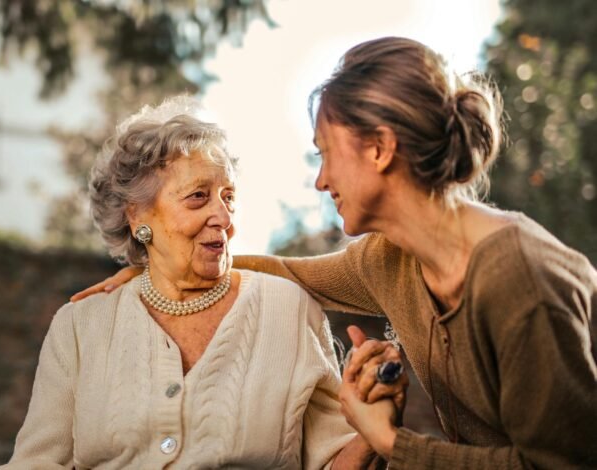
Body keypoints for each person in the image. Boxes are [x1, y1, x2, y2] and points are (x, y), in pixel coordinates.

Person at [71, 38, 597, 469]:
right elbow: (285, 271)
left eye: (326, 154)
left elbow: (563, 465)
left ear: (379, 148)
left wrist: (392, 443)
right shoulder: (389, 259)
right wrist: (157, 270)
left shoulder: (520, 280)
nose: (321, 180)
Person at [0, 97, 407, 469]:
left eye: (228, 197)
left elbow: (333, 462)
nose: (224, 218)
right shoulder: (79, 326)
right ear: (138, 217)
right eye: (198, 197)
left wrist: (374, 431)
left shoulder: (289, 309)